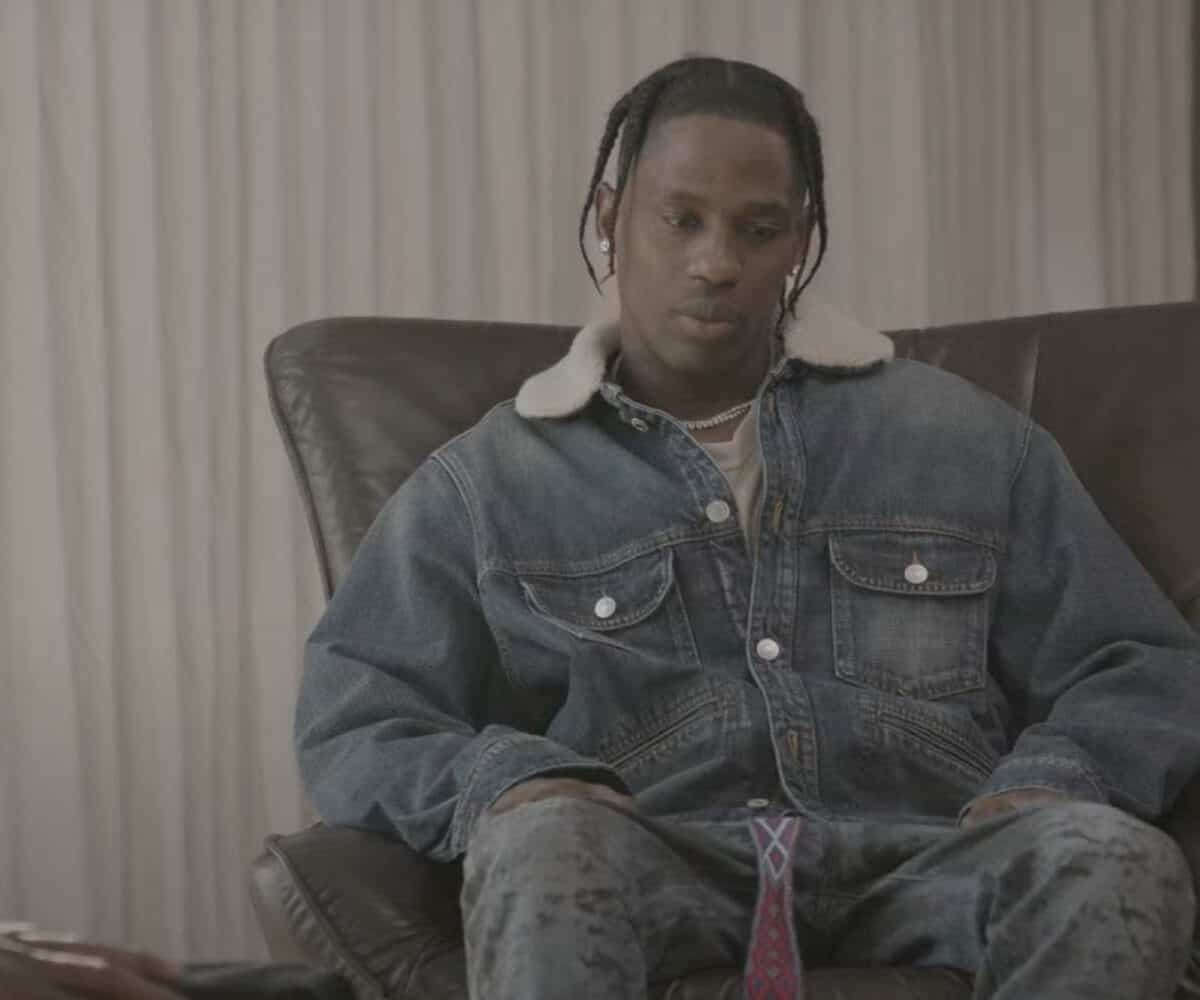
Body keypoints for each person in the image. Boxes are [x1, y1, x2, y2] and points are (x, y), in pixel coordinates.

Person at [294, 56, 1200, 999]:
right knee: (544, 848)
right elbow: (359, 714)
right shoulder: (486, 483)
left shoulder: (969, 443)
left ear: (799, 239)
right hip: (654, 860)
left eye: (758, 230)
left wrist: (1054, 777)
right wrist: (509, 784)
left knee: (1112, 858)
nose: (717, 263)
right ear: (610, 218)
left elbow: (1139, 660)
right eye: (680, 219)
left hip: (933, 855)